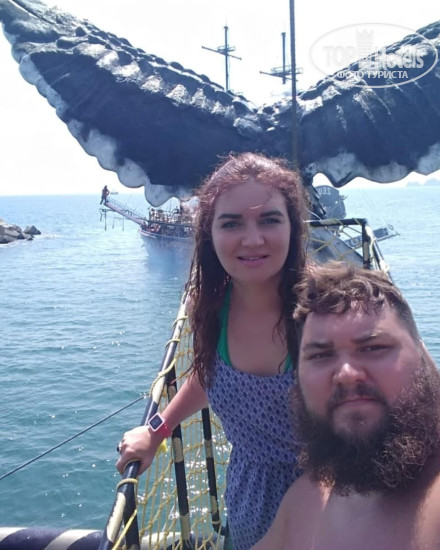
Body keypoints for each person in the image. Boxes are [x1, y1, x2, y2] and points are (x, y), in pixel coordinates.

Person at [116, 152, 310, 549]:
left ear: (293, 225)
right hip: (249, 502)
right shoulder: (211, 306)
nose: (252, 239)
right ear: (209, 233)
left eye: (270, 219)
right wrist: (156, 431)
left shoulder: (329, 310)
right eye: (232, 223)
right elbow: (210, 375)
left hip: (331, 505)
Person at [253, 261, 440, 550]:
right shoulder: (304, 502)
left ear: (421, 360)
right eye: (320, 355)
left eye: (373, 348)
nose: (346, 374)